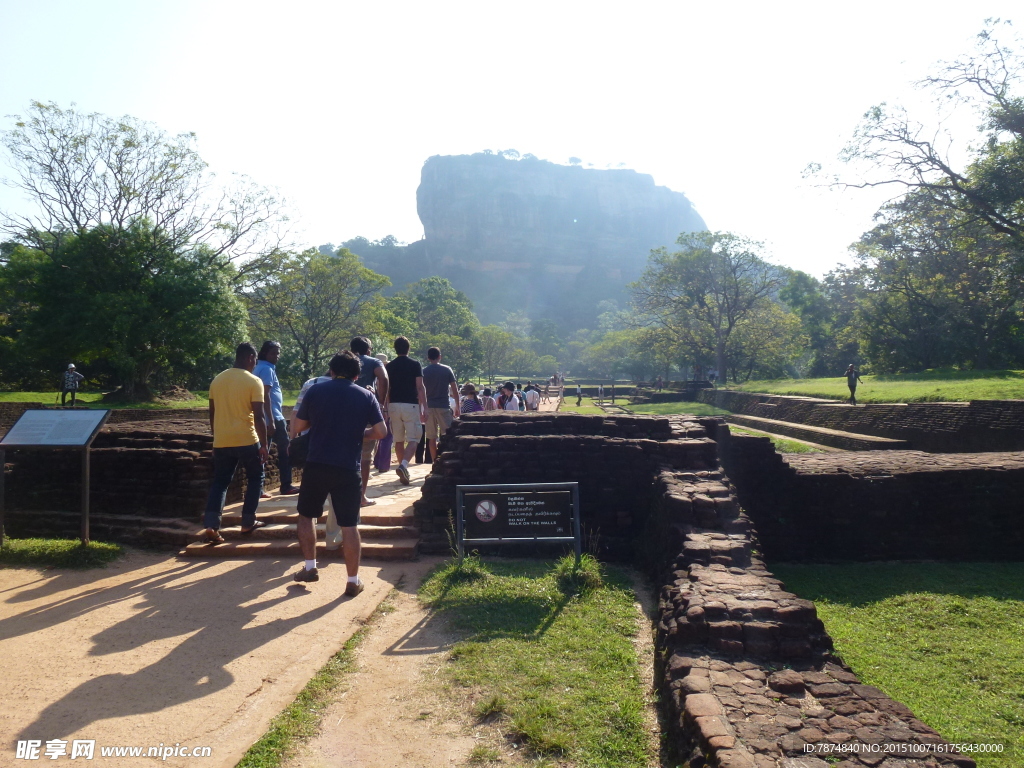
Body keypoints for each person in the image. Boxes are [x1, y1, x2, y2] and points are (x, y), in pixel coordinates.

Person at [289, 351, 386, 589]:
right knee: (349, 525)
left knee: (306, 516)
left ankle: (310, 567)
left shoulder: (315, 391)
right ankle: (352, 581)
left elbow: (300, 425)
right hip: (347, 467)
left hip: (317, 463)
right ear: (357, 374)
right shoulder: (366, 396)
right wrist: (359, 433)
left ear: (331, 371)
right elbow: (381, 431)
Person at [202, 342, 270, 543]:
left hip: (222, 440)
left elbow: (212, 414)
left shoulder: (217, 379)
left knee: (220, 482)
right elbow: (259, 417)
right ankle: (248, 521)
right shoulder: (253, 381)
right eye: (255, 360)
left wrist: (216, 440)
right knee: (256, 477)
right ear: (250, 357)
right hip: (247, 439)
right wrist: (264, 444)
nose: (255, 363)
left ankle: (211, 524)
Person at [253, 341, 299, 496]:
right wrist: (271, 420)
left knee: (263, 450)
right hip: (273, 417)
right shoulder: (266, 369)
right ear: (265, 353)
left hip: (264, 417)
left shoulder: (258, 368)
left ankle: (258, 488)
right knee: (285, 450)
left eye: (278, 353)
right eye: (274, 353)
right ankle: (286, 485)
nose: (277, 356)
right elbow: (264, 395)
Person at [351, 336, 389, 506]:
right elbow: (384, 378)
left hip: (343, 411)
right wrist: (380, 402)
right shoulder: (374, 362)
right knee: (365, 457)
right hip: (366, 412)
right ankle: (361, 497)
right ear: (368, 350)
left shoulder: (343, 360)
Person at [385, 336, 427, 485]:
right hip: (411, 405)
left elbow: (386, 388)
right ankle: (403, 465)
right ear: (408, 348)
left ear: (395, 349)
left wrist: (387, 407)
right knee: (414, 438)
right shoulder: (415, 364)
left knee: (398, 439)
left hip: (394, 405)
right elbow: (420, 387)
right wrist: (425, 408)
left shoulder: (389, 366)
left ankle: (402, 469)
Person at [422, 347, 460, 461]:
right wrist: (458, 406)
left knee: (431, 438)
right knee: (447, 436)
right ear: (440, 356)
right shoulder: (447, 369)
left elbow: (420, 390)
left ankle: (435, 462)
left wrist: (422, 408)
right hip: (443, 406)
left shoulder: (424, 371)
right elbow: (455, 389)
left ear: (428, 358)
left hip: (429, 407)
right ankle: (446, 459)